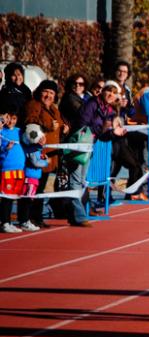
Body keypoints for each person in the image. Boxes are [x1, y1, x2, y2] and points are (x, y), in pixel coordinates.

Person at [23, 80, 70, 228]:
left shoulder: (54, 108)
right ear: (39, 91)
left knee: (41, 187)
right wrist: (48, 126)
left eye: (51, 92)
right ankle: (29, 218)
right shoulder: (34, 104)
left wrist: (66, 127)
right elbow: (29, 121)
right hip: (37, 154)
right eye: (45, 91)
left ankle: (36, 217)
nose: (48, 95)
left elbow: (60, 122)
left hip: (50, 156)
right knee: (34, 187)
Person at [0, 104, 36, 233]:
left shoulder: (20, 132)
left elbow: (27, 147)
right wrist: (5, 149)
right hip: (6, 170)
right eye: (8, 118)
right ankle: (5, 222)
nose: (11, 121)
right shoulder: (1, 132)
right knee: (7, 197)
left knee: (16, 196)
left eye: (14, 118)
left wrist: (38, 146)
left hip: (20, 170)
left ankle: (17, 221)